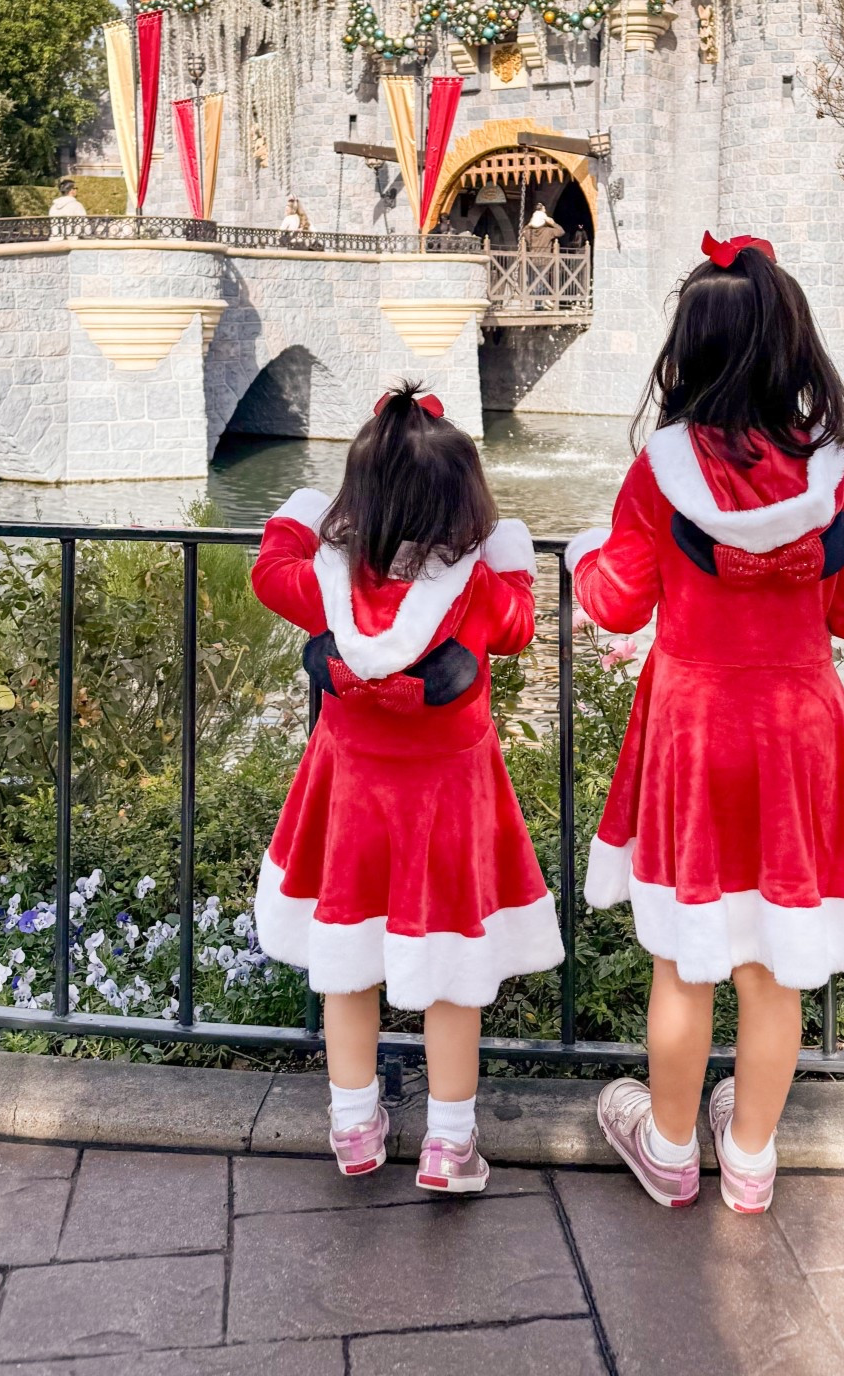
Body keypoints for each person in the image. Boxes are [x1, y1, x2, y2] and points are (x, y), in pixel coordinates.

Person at [565, 232, 844, 1214]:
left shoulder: (660, 470)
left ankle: (670, 1146)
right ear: (787, 344)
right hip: (796, 724)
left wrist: (586, 553)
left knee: (685, 961)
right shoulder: (829, 472)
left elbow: (616, 604)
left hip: (691, 727)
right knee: (772, 968)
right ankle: (752, 1160)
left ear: (690, 351)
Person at [249, 384, 562, 1193]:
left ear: (362, 496)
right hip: (450, 801)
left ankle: (354, 1126)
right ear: (464, 503)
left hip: (349, 793)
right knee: (452, 975)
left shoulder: (324, 583)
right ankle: (449, 1146)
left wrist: (311, 508)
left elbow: (268, 566)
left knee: (347, 962)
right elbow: (522, 624)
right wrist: (510, 553)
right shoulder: (478, 593)